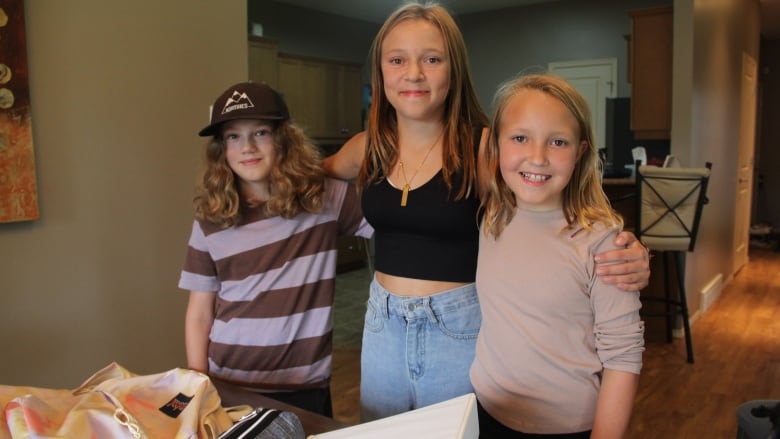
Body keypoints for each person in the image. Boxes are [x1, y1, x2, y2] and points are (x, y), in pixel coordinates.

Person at [323, 1, 650, 421]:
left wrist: (628, 251)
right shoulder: (370, 146)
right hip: (380, 325)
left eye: (432, 58)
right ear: (381, 70)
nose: (414, 73)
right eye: (398, 59)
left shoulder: (483, 149)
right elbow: (306, 177)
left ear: (454, 69)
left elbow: (552, 212)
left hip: (458, 328)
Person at [178, 81, 372, 417]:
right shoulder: (210, 218)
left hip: (304, 386)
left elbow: (396, 224)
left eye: (261, 133)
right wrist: (199, 381)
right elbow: (199, 311)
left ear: (284, 139)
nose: (247, 147)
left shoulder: (322, 199)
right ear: (221, 149)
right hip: (228, 381)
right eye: (233, 137)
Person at [471, 73, 645, 438]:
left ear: (581, 152)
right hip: (485, 412)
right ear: (497, 146)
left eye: (558, 142)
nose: (537, 157)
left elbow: (623, 358)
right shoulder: (494, 213)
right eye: (520, 138)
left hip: (565, 429)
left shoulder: (602, 244)